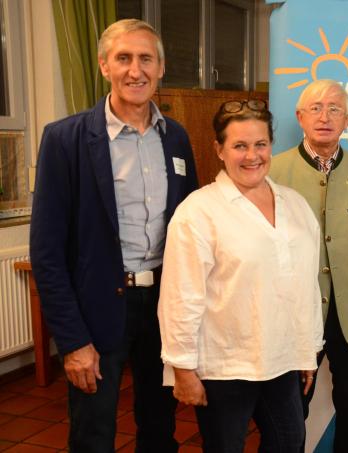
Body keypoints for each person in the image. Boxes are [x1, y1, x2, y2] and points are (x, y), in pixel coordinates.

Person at [29, 19, 197, 452]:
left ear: (160, 68)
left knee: (160, 428)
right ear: (104, 65)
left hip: (162, 306)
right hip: (98, 309)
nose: (135, 70)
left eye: (145, 59)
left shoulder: (176, 138)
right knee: (93, 433)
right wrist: (72, 341)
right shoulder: (65, 140)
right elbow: (47, 253)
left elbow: (191, 229)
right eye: (123, 58)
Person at [158, 100, 322, 452]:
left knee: (289, 442)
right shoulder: (198, 212)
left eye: (260, 144)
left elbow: (306, 287)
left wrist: (307, 351)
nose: (252, 155)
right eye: (239, 146)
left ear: (271, 146)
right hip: (224, 365)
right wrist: (182, 368)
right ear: (219, 150)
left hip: (281, 359)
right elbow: (180, 297)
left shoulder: (295, 204)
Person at [269, 79, 348, 453]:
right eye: (315, 108)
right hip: (293, 319)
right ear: (299, 116)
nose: (324, 116)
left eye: (334, 109)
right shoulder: (273, 173)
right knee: (288, 419)